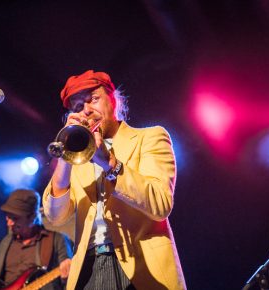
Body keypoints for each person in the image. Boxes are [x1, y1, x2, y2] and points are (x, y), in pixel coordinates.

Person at [42, 70, 186, 290]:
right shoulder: (77, 160)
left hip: (141, 270)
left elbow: (161, 204)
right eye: (78, 107)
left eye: (93, 100)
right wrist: (65, 154)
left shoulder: (150, 137)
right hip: (88, 269)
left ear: (114, 100)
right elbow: (55, 216)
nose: (87, 110)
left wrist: (109, 163)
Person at [0, 189, 72, 290]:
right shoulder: (1, 244)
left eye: (15, 218)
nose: (9, 223)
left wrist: (67, 274)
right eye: (8, 217)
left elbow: (69, 279)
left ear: (32, 217)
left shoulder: (57, 240)